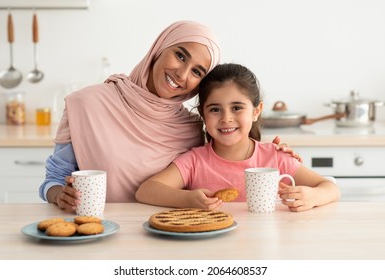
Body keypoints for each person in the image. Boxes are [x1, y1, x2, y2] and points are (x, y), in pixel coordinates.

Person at [39, 21, 299, 213]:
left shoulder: (193, 126)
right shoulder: (87, 104)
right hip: (100, 230)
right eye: (180, 55)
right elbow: (55, 177)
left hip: (170, 234)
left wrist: (275, 154)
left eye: (197, 71)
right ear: (159, 49)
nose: (182, 74)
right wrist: (59, 195)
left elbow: (226, 158)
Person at [135, 63, 340, 212]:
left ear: (256, 111)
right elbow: (146, 190)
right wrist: (187, 199)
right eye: (215, 109)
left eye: (237, 108)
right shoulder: (195, 161)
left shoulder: (274, 157)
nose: (226, 118)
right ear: (202, 114)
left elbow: (330, 188)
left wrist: (314, 196)